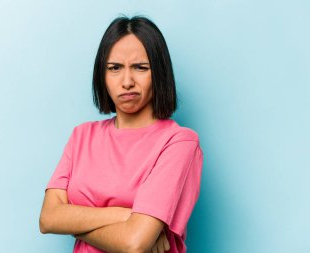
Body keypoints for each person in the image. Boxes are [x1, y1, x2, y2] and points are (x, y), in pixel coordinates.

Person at [39, 15, 203, 253]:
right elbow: (48, 219)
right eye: (115, 68)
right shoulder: (82, 136)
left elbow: (133, 244)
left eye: (140, 68)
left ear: (159, 73)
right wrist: (124, 215)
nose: (127, 81)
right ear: (102, 75)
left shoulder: (178, 142)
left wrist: (73, 221)